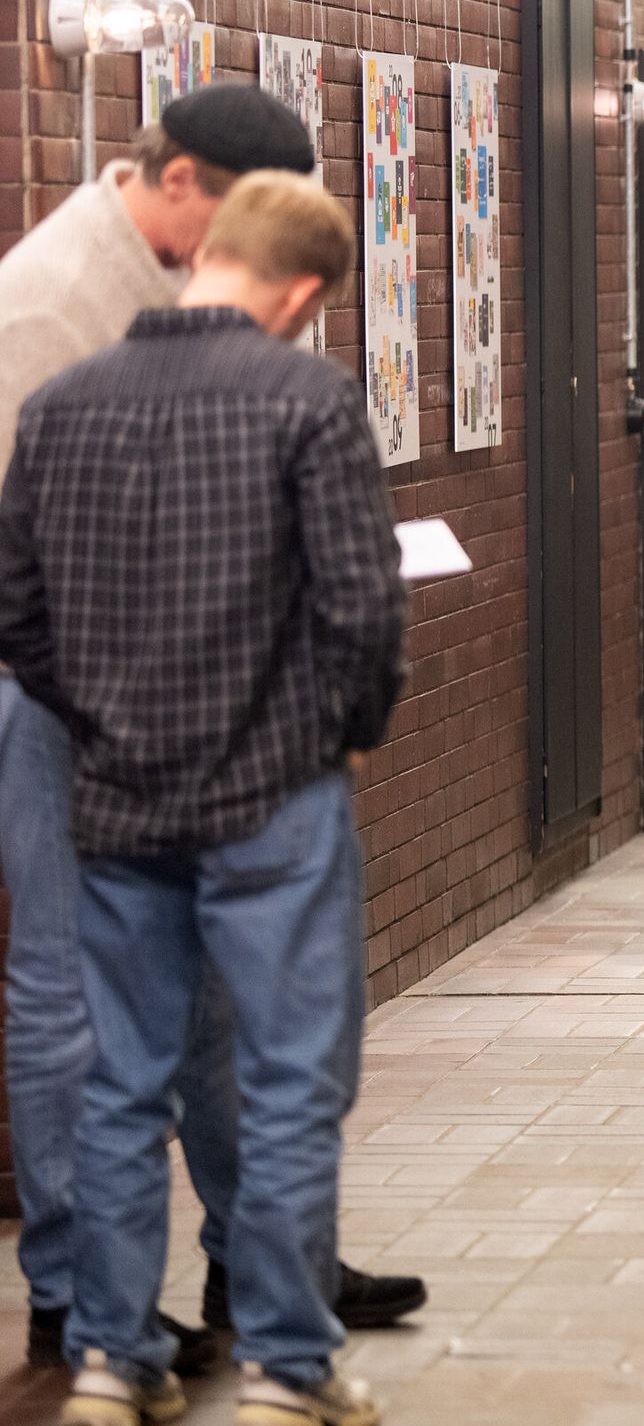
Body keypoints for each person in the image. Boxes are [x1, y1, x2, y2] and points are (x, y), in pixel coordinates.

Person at [0, 88, 423, 1382]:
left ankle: (229, 1279)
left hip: (140, 720)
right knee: (87, 1012)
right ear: (178, 181)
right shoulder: (46, 303)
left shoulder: (147, 312)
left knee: (198, 1032)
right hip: (81, 718)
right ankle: (83, 1300)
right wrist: (302, 727)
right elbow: (19, 586)